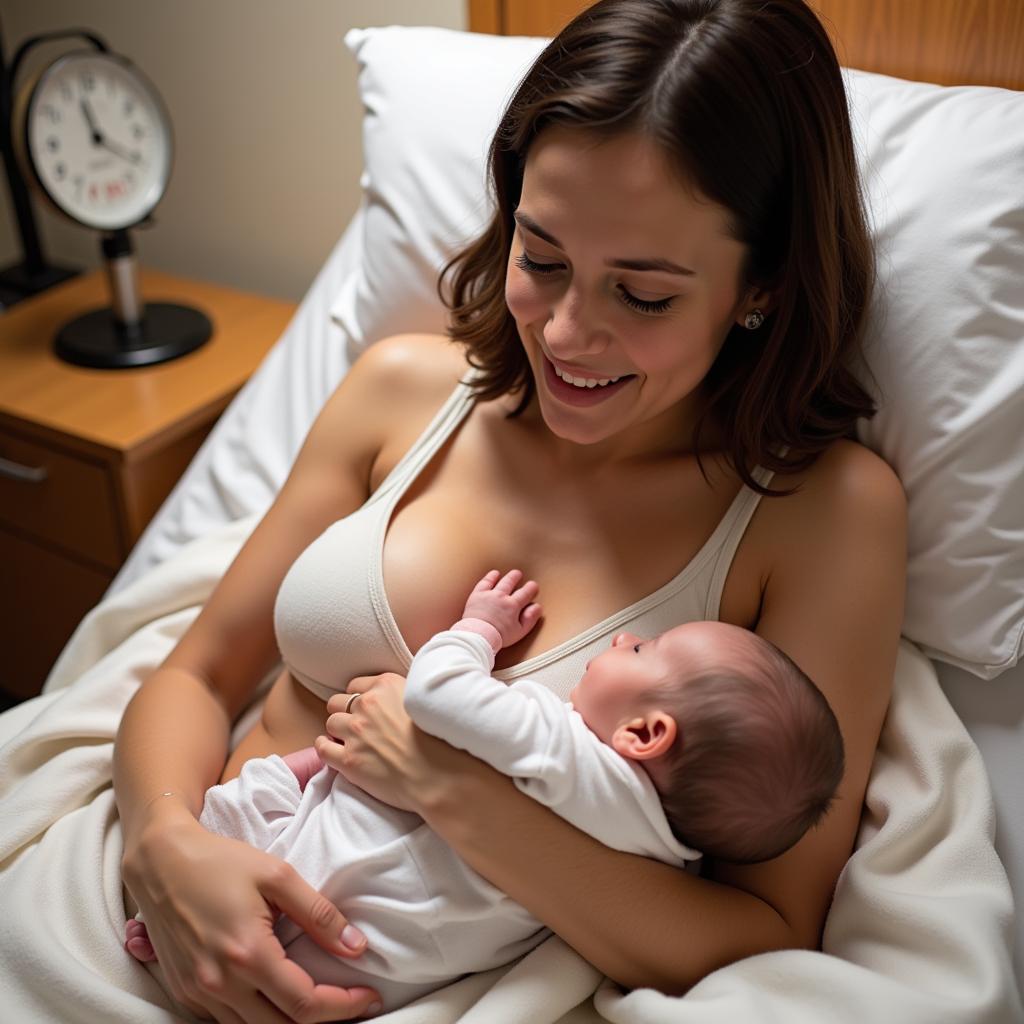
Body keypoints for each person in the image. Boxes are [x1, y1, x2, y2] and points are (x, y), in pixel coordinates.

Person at [112, 0, 906, 1019]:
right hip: (167, 903)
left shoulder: (822, 513)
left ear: (761, 286)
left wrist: (452, 789)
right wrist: (167, 849)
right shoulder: (401, 390)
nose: (569, 334)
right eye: (540, 259)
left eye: (645, 296)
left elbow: (767, 927)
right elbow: (197, 670)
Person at [123, 569, 844, 1012]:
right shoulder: (669, 846)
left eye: (646, 649)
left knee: (284, 791)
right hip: (371, 963)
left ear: (647, 735)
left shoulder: (562, 745)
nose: (625, 640)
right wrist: (162, 841)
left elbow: (436, 696)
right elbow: (198, 669)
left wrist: (478, 632)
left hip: (276, 862)